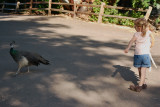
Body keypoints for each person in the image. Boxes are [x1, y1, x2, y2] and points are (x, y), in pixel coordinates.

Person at [124, 18, 155, 92]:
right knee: (141, 70)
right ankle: (143, 83)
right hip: (143, 55)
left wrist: (128, 48)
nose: (134, 27)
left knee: (141, 70)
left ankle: (139, 86)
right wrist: (151, 45)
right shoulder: (146, 32)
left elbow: (131, 41)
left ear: (139, 27)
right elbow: (153, 39)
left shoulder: (139, 34)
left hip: (139, 55)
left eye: (135, 26)